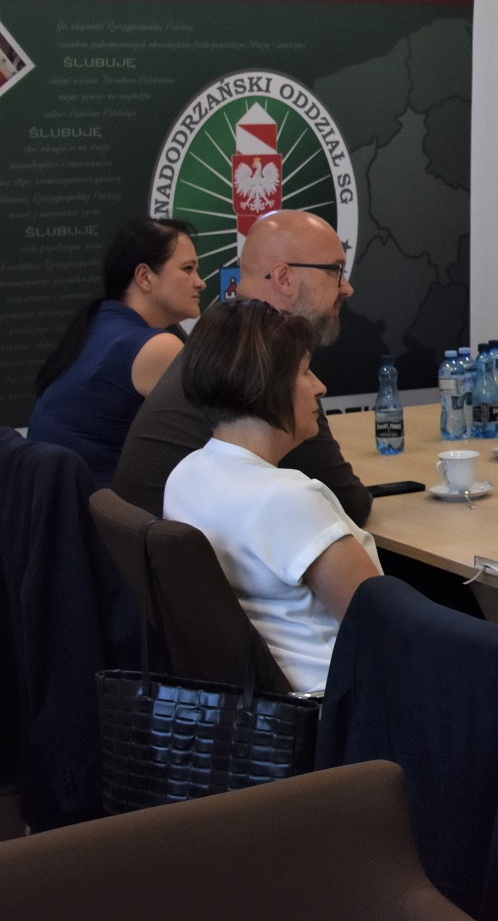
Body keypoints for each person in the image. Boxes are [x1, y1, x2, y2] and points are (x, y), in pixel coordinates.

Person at [162, 297, 382, 694]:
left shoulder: (185, 476)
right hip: (345, 700)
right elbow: (383, 626)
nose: (320, 387)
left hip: (270, 704)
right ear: (265, 387)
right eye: (305, 372)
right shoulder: (288, 500)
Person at [112, 209, 366, 523]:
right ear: (284, 278)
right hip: (194, 550)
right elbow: (349, 504)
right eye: (335, 270)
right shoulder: (260, 355)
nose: (346, 287)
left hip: (162, 545)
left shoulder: (229, 337)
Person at [28, 217, 204, 487]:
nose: (200, 282)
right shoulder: (157, 348)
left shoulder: (99, 321)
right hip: (96, 508)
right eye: (188, 269)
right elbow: (220, 437)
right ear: (144, 277)